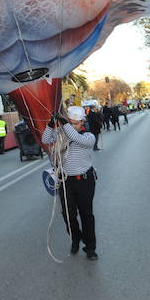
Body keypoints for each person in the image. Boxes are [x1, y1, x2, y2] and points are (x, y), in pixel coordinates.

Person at [42, 106, 98, 259]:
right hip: (66, 181)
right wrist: (51, 124)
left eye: (75, 123)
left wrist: (65, 124)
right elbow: (45, 140)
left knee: (87, 215)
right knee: (68, 215)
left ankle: (90, 247)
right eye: (70, 122)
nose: (73, 126)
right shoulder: (62, 134)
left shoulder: (88, 137)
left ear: (82, 123)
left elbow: (76, 138)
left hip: (84, 181)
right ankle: (75, 238)